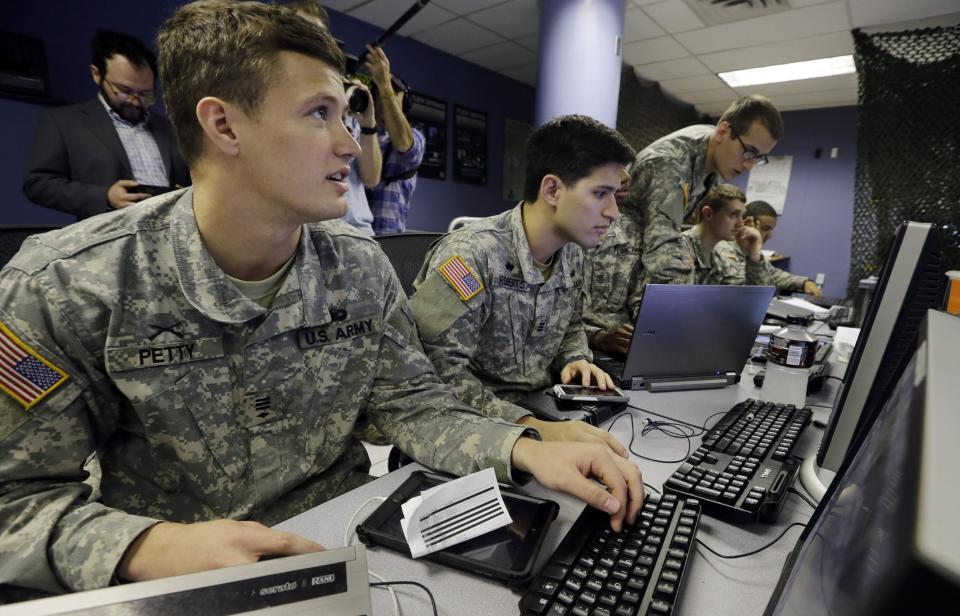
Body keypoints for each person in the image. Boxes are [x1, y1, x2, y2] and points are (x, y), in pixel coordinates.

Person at [0, 1, 643, 596]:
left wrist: (524, 448)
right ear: (223, 124)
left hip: (353, 546)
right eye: (318, 114)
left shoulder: (359, 267)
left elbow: (413, 407)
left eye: (345, 114)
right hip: (184, 578)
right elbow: (14, 503)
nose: (347, 142)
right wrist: (145, 545)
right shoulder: (66, 285)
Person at [408, 114, 636, 449]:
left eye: (615, 195)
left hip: (542, 407)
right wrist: (530, 426)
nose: (614, 212)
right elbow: (434, 374)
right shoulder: (468, 257)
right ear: (552, 189)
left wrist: (576, 359)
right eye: (601, 193)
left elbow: (571, 325)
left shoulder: (571, 253)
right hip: (472, 428)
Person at [583, 95, 783, 355]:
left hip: (636, 263)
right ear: (724, 131)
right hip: (612, 264)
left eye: (760, 158)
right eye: (749, 152)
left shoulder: (711, 161)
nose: (750, 165)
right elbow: (662, 245)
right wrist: (681, 324)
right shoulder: (670, 163)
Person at [22, 30, 190, 221]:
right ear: (97, 74)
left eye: (145, 94)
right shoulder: (63, 121)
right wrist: (105, 197)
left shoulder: (170, 127)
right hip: (105, 238)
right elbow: (37, 184)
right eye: (124, 91)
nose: (135, 101)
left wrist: (187, 194)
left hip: (171, 233)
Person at [289, 0, 381, 236]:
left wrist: (368, 124)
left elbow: (371, 178)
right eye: (302, 32)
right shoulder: (285, 101)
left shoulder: (345, 100)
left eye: (318, 36)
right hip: (312, 230)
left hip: (358, 230)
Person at [362, 46, 425, 234]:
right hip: (355, 232)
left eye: (394, 92)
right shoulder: (360, 133)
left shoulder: (415, 137)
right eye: (381, 94)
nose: (386, 96)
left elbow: (405, 145)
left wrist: (384, 85)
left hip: (387, 237)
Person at [713, 199, 823, 296]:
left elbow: (772, 273)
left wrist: (804, 282)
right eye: (766, 228)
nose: (770, 235)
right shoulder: (723, 251)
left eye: (771, 229)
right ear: (747, 223)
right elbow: (753, 292)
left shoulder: (751, 251)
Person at [680, 184, 767, 285]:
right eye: (733, 215)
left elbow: (748, 297)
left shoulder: (719, 255)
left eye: (742, 216)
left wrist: (753, 254)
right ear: (708, 214)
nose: (741, 224)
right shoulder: (679, 250)